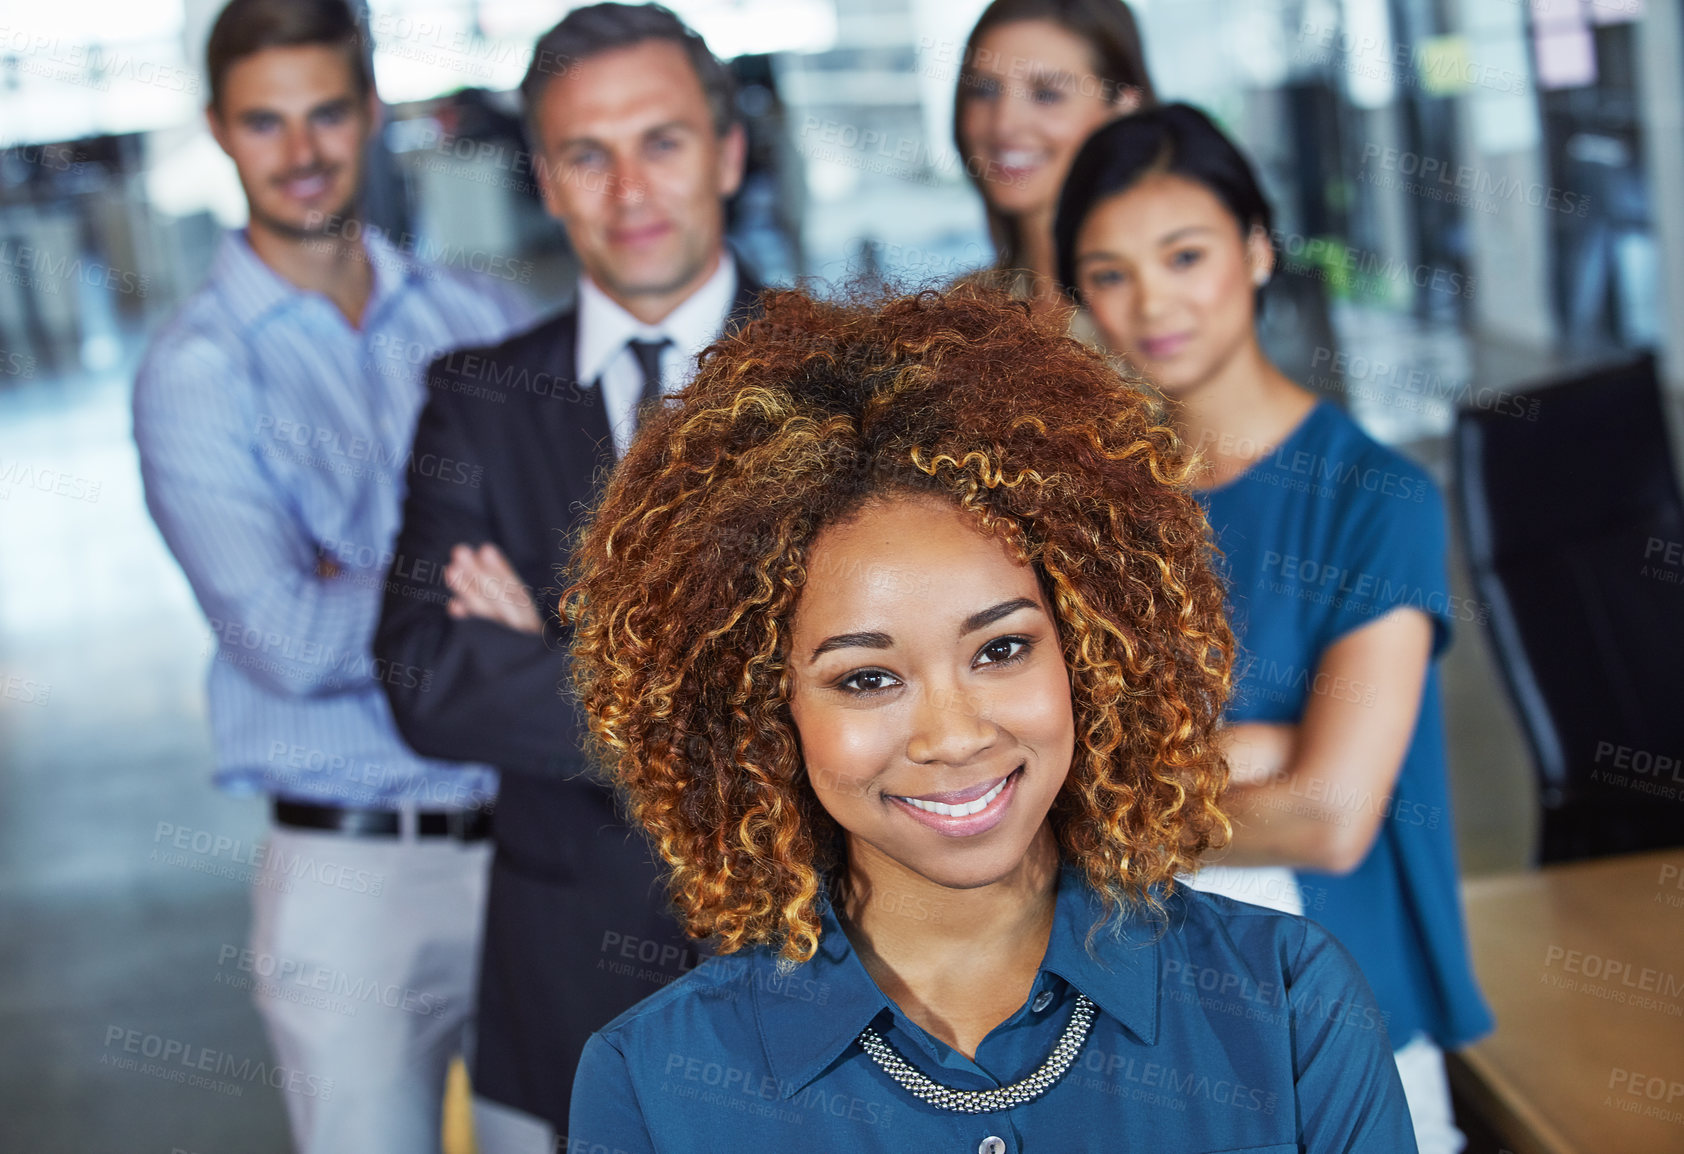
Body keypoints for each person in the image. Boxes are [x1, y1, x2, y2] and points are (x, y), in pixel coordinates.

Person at [560, 285, 1419, 1151]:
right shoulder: (654, 1085)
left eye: (1001, 651)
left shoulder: (1290, 1005)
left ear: (1091, 653)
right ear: (757, 715)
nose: (955, 735)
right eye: (865, 679)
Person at [1054, 103, 1493, 1153]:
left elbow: (1330, 814)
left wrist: (1087, 819)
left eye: (1185, 254)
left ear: (1256, 250)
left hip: (1341, 1019)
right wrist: (1250, 754)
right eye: (1108, 273)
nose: (1151, 300)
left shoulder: (1370, 497)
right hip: (1133, 1016)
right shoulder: (1092, 510)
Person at [132, 1, 533, 1150]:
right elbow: (289, 642)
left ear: (369, 112)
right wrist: (478, 578)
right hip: (351, 876)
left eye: (325, 115)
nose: (300, 154)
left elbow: (571, 572)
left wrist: (356, 574)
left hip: (531, 849)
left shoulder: (481, 318)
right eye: (266, 123)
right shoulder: (197, 373)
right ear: (218, 128)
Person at [371, 4, 761, 1148]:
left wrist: (551, 658)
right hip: (567, 993)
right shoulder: (477, 398)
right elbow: (427, 672)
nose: (629, 189)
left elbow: (876, 672)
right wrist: (723, 704)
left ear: (727, 153)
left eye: (663, 141)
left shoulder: (839, 375)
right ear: (545, 178)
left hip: (811, 969)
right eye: (588, 154)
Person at [952, 0, 1152, 312]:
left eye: (1046, 94)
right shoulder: (961, 313)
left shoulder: (1159, 307)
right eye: (985, 90)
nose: (1004, 125)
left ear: (1123, 107)